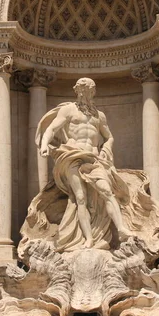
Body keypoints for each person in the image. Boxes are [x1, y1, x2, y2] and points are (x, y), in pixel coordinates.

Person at [37, 78, 133, 249]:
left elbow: (109, 136)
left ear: (93, 92)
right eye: (82, 90)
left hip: (94, 158)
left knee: (107, 191)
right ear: (77, 91)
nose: (85, 94)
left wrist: (106, 148)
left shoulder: (99, 115)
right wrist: (44, 145)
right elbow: (51, 129)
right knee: (80, 198)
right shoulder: (68, 110)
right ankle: (88, 239)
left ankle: (121, 228)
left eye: (89, 90)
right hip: (72, 155)